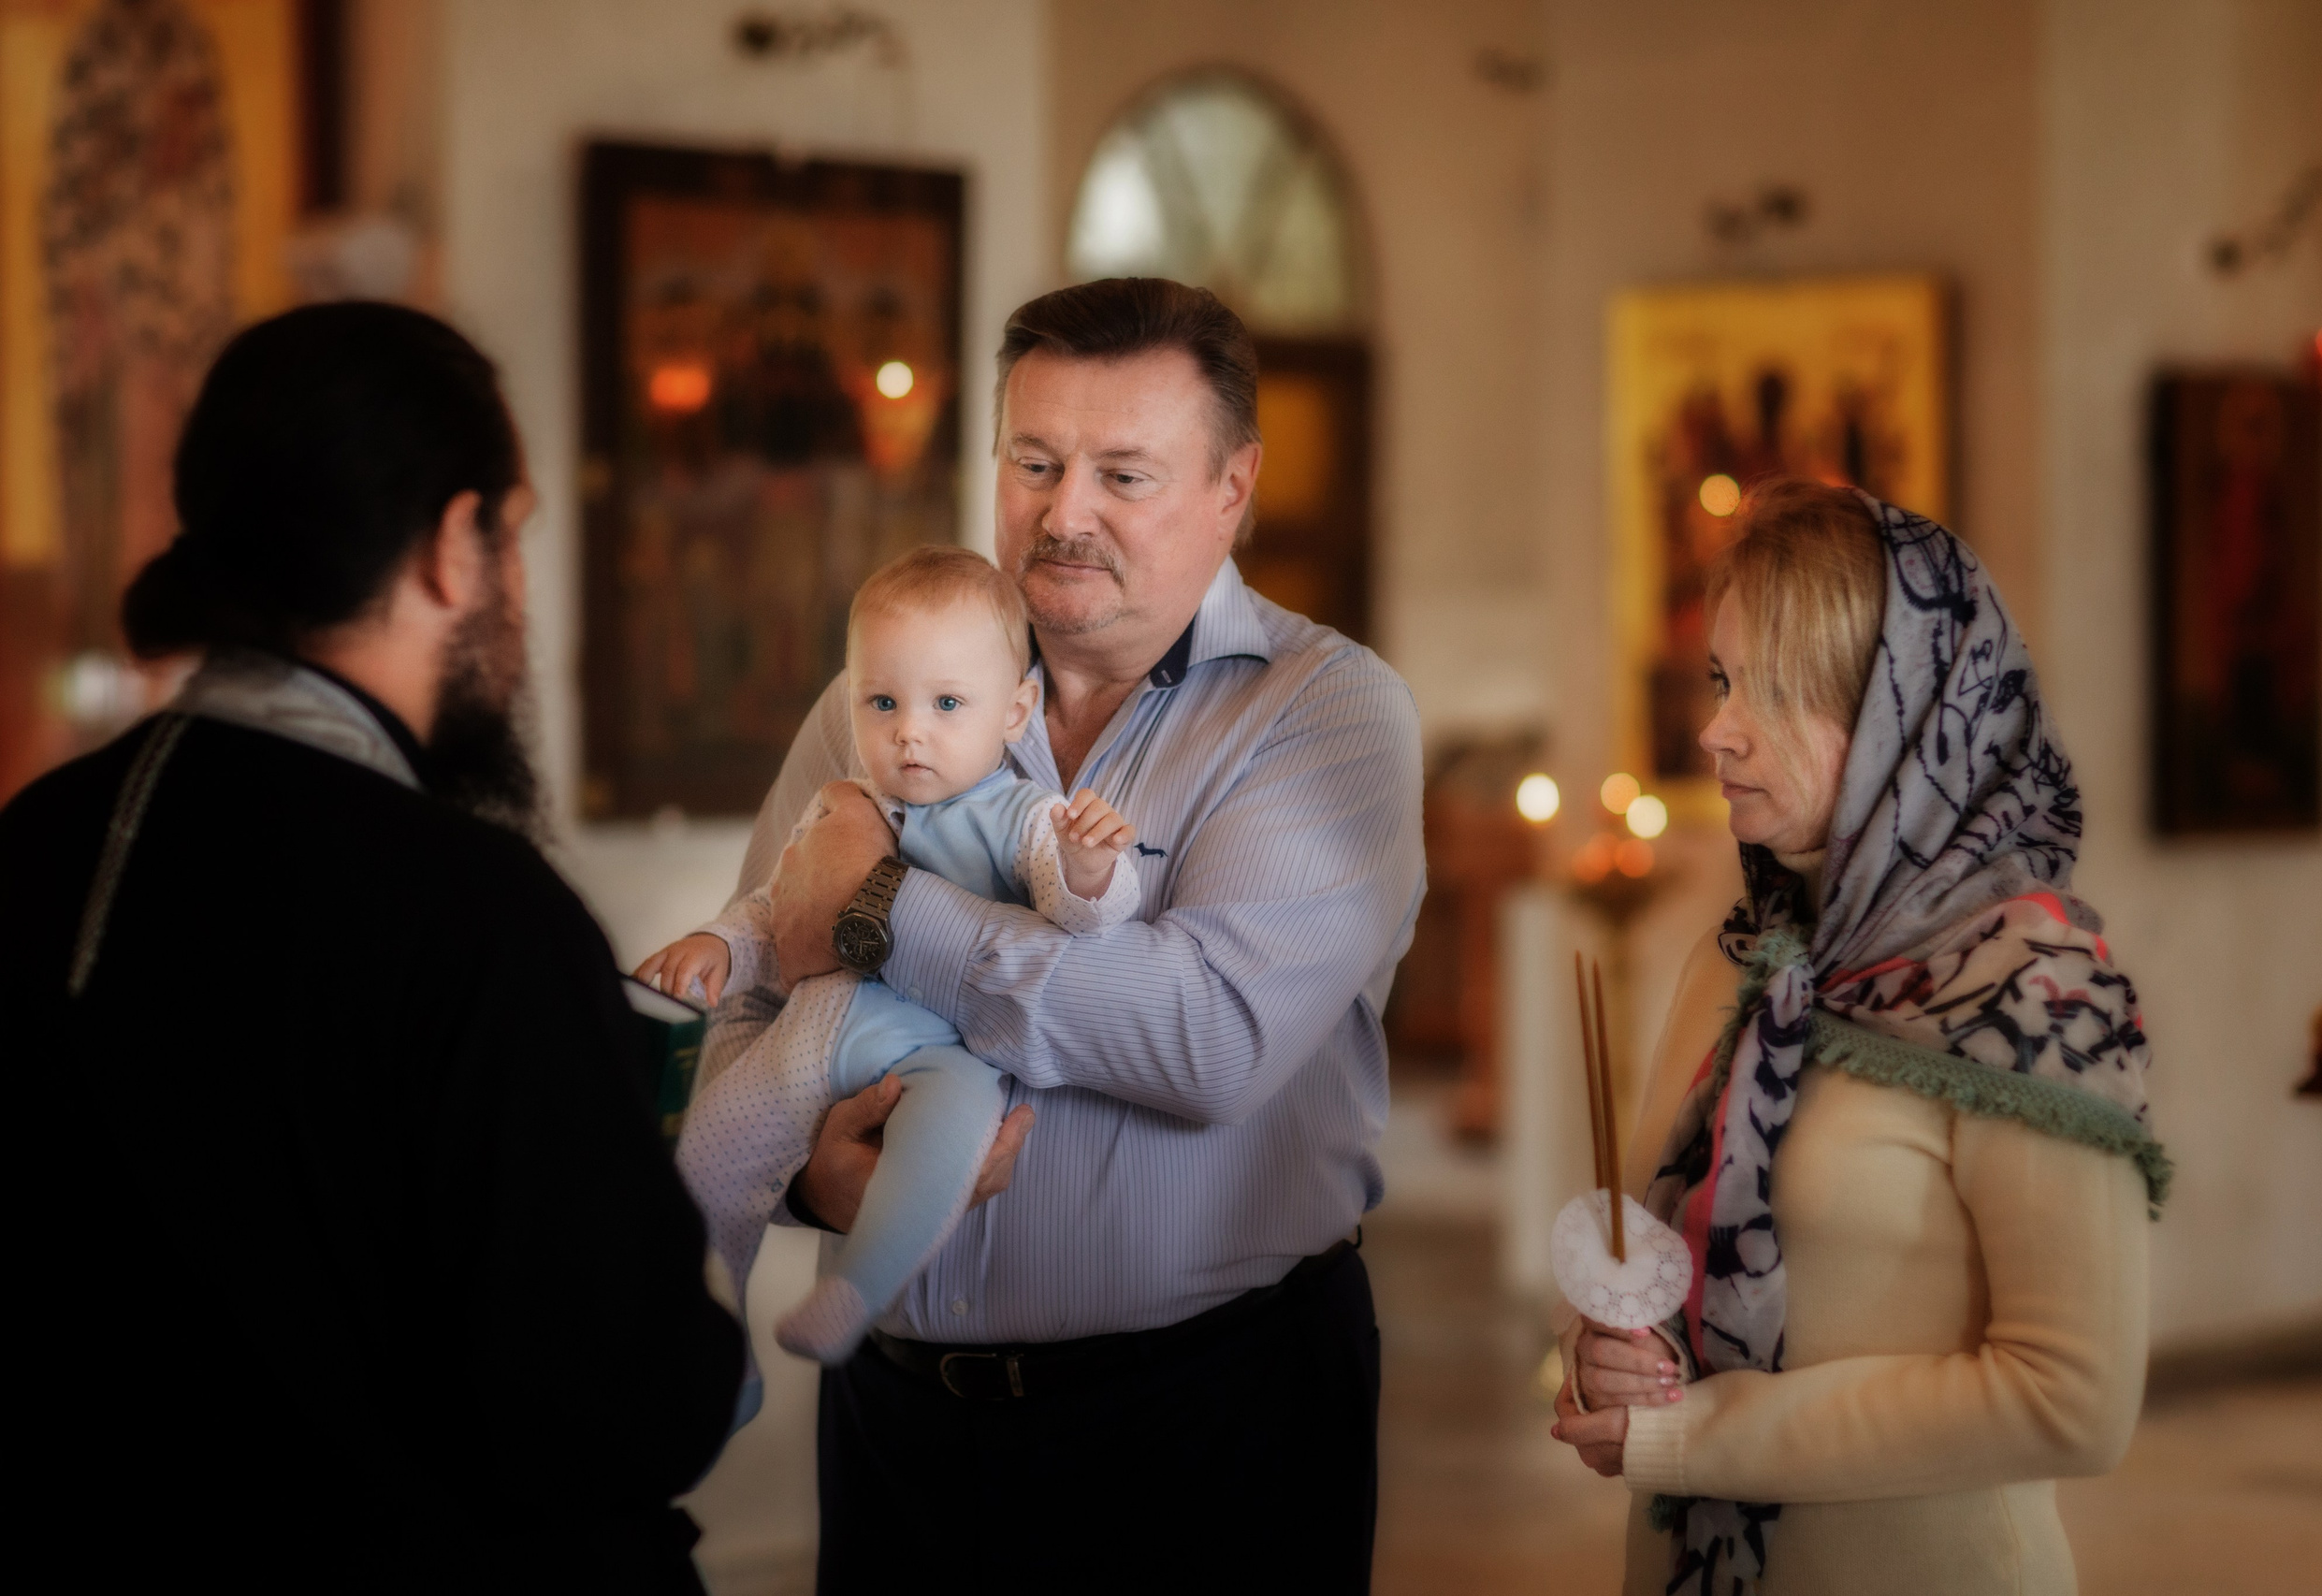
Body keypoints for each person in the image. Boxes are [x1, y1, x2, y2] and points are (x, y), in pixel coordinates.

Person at [657, 277, 1424, 1591]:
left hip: (1207, 1420)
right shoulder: (882, 695)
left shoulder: (1327, 714)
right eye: (1035, 461)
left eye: (1124, 473)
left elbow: (1208, 1040)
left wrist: (882, 906)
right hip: (900, 1424)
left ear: (1232, 485)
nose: (1065, 513)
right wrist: (809, 1178)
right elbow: (757, 1006)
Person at [0, 303, 746, 1591]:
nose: (514, 590)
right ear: (453, 546)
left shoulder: (40, 842)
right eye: (511, 540)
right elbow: (625, 1406)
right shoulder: (475, 910)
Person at [1549, 479, 2168, 1596]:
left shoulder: (2032, 1000)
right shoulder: (1739, 957)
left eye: (1774, 693)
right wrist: (1608, 1352)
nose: (1714, 729)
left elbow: (2071, 1400)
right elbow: (1660, 1238)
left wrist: (1699, 1434)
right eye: (1723, 679)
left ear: (1906, 718)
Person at [641, 546, 1142, 1370]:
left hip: (942, 1056)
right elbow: (775, 913)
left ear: (1015, 711)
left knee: (944, 1151)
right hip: (811, 1040)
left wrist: (1089, 868)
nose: (911, 731)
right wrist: (717, 946)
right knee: (705, 1161)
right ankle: (702, 1345)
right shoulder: (842, 805)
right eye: (883, 701)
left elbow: (1076, 905)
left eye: (948, 703)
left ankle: (855, 1294)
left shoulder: (1020, 814)